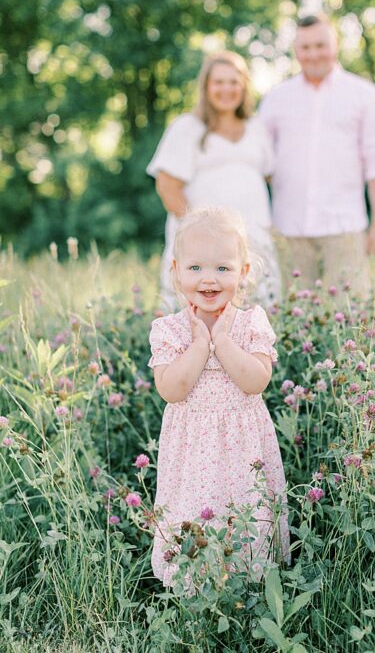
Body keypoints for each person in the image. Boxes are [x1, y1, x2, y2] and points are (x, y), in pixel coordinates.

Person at [147, 207, 289, 590]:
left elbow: (256, 381)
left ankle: (248, 581)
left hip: (243, 443)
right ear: (176, 271)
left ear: (243, 272)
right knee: (192, 507)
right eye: (195, 268)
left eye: (223, 269)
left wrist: (222, 341)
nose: (208, 279)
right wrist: (200, 344)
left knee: (243, 505)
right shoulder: (169, 330)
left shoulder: (251, 322)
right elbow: (172, 389)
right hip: (192, 448)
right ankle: (194, 581)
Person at [258, 13, 375, 297]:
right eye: (305, 47)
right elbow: (261, 158)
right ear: (296, 50)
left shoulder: (364, 94)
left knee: (349, 319)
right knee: (295, 320)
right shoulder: (276, 98)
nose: (313, 54)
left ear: (336, 44)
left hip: (344, 227)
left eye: (320, 45)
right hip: (288, 227)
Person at [147, 51, 280, 309]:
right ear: (206, 86)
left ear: (244, 86)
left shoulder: (257, 128)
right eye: (219, 82)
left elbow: (268, 177)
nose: (227, 89)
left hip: (254, 239)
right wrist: (199, 236)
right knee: (195, 322)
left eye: (234, 81)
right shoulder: (187, 127)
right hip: (204, 247)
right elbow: (167, 185)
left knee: (256, 321)